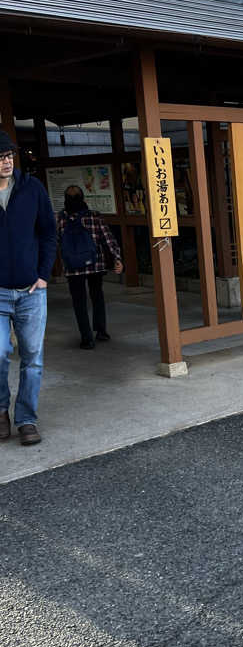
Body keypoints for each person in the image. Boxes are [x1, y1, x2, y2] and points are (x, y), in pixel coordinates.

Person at [0, 128, 57, 447]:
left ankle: (26, 419)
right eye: (0, 158)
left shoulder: (31, 188)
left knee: (33, 356)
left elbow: (49, 232)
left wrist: (43, 275)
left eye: (8, 156)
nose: (7, 162)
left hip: (32, 292)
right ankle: (0, 410)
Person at [57, 185, 123, 350]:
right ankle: (101, 331)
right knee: (97, 297)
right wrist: (117, 258)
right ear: (83, 198)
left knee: (79, 302)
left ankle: (87, 338)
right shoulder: (94, 217)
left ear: (65, 200)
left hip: (73, 267)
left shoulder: (60, 219)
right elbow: (108, 239)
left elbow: (54, 242)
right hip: (95, 264)